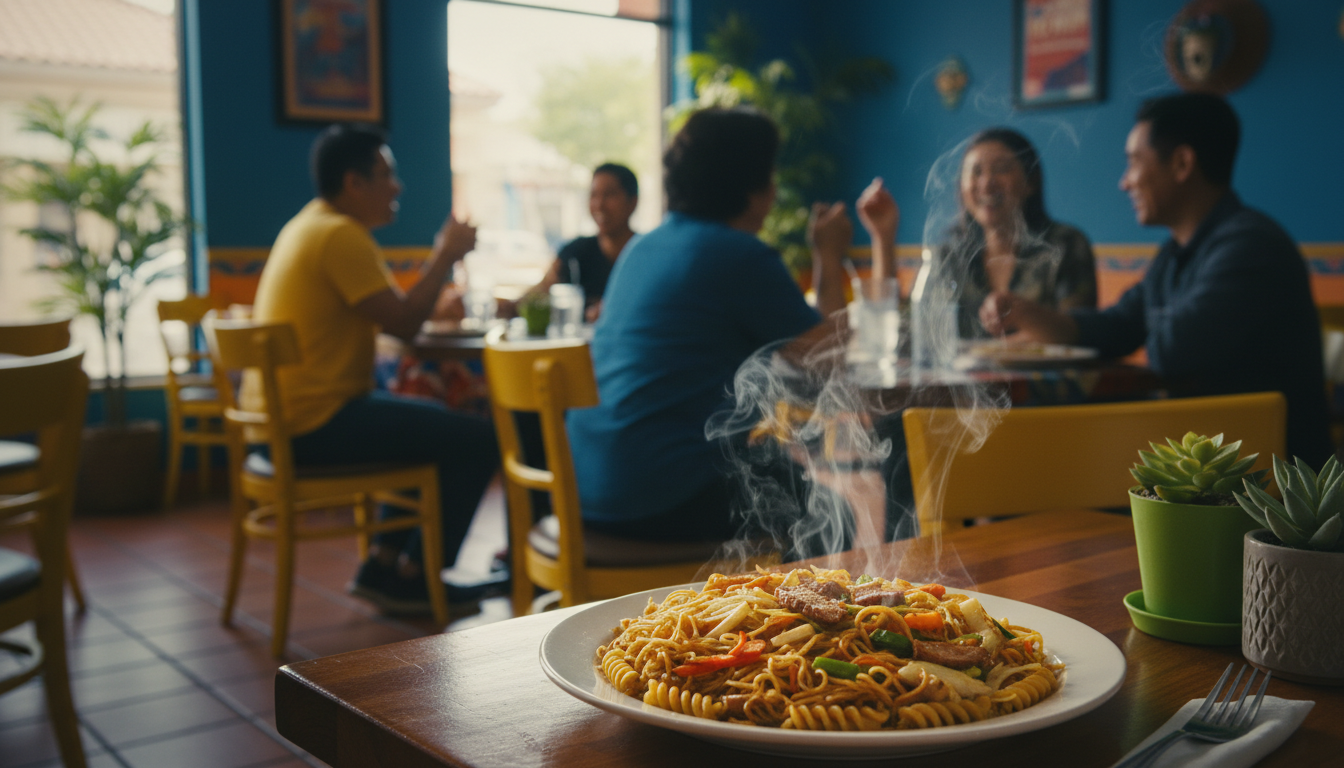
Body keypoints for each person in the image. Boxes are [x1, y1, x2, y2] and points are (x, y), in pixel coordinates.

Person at [980, 92, 1332, 468]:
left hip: (1270, 491)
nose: (1124, 183)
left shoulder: (1251, 248)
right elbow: (1118, 327)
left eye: (1133, 163)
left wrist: (1143, 324)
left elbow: (1171, 351)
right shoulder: (1176, 253)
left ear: (1182, 164)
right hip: (1202, 466)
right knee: (1030, 457)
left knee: (1041, 463)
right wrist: (1032, 315)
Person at [565, 107, 851, 551]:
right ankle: (837, 617)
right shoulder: (736, 253)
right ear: (751, 186)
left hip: (586, 488)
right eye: (769, 175)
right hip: (660, 495)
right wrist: (829, 257)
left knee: (781, 468)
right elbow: (831, 362)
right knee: (837, 511)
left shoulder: (643, 247)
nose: (774, 190)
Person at [245, 124, 500, 614]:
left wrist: (425, 303)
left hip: (281, 422)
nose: (397, 187)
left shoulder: (310, 225)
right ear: (353, 183)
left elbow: (387, 314)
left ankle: (384, 566)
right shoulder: (340, 234)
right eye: (386, 174)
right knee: (477, 438)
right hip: (312, 423)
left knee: (415, 420)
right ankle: (416, 579)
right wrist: (446, 254)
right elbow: (403, 323)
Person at [857, 127, 1097, 339]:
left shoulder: (1064, 245)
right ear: (961, 188)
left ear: (1030, 183)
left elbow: (1078, 333)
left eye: (1001, 169)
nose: (986, 183)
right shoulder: (949, 255)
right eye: (975, 171)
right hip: (960, 390)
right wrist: (883, 239)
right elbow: (904, 333)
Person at [500, 163, 640, 322]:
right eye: (593, 195)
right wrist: (507, 306)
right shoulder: (575, 253)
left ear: (632, 202)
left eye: (609, 195)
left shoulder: (648, 256)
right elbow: (535, 296)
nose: (599, 205)